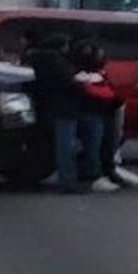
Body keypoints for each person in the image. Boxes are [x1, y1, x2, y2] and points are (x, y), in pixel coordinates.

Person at [26, 34, 87, 194]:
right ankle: (68, 182)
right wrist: (82, 86)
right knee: (66, 146)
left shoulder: (35, 60)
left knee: (56, 144)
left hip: (45, 107)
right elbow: (69, 83)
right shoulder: (58, 62)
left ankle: (43, 178)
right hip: (65, 108)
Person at [73, 43, 117, 192]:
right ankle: (94, 175)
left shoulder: (99, 74)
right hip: (92, 113)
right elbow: (104, 93)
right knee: (93, 145)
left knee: (104, 144)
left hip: (103, 113)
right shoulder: (82, 76)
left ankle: (104, 171)